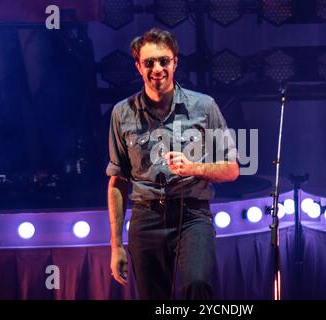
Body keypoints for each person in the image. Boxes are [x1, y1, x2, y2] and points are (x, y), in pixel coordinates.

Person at [106, 28, 239, 300]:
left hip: (192, 214)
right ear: (138, 67)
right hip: (146, 216)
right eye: (149, 63)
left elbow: (232, 168)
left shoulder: (204, 106)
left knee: (197, 284)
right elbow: (117, 180)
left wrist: (194, 168)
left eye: (164, 61)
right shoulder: (122, 113)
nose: (157, 69)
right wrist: (116, 244)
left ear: (175, 62)